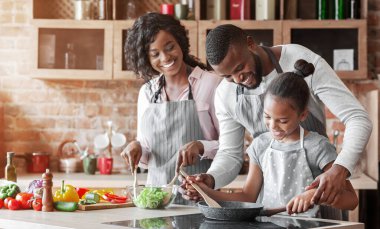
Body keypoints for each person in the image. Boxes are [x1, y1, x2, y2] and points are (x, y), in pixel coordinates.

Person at [182, 24, 372, 207]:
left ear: (250, 43)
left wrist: (339, 170)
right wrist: (211, 179)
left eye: (240, 68)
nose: (238, 79)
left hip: (321, 195)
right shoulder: (226, 93)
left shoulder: (299, 59)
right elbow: (230, 154)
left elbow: (358, 118)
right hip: (271, 204)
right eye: (228, 76)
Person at [187, 59, 358, 218]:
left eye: (283, 121)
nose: (273, 126)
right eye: (267, 117)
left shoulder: (318, 147)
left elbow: (351, 200)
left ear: (303, 115)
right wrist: (205, 191)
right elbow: (248, 196)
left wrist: (315, 194)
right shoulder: (260, 145)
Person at [121, 13, 221, 204]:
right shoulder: (147, 92)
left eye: (170, 47)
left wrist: (201, 146)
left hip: (201, 197)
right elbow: (147, 150)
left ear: (180, 42)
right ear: (146, 59)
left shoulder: (211, 84)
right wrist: (137, 147)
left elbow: (231, 149)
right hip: (156, 201)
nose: (165, 57)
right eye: (155, 54)